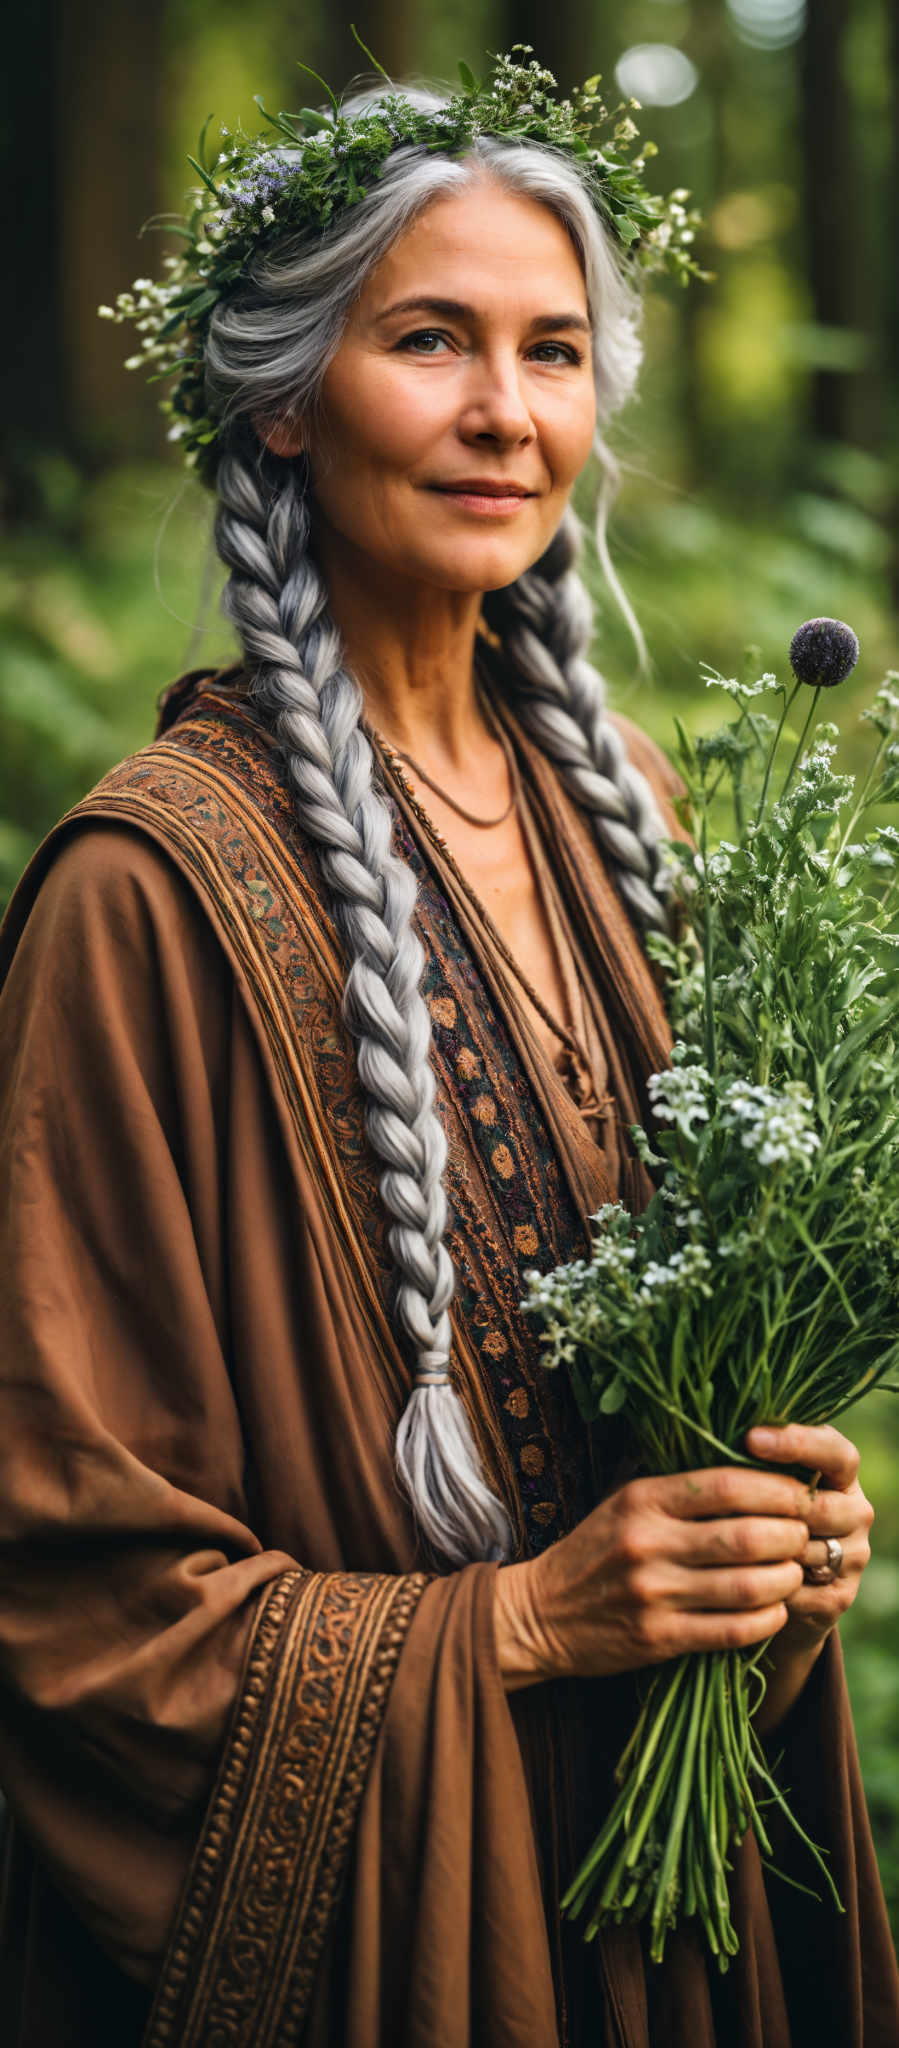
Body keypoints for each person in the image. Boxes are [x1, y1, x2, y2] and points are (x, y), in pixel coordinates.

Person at [0, 49, 896, 2048]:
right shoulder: (143, 898)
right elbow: (58, 1575)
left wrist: (777, 1519)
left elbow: (694, 1352)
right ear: (289, 399)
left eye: (555, 351)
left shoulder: (640, 819)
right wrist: (509, 1622)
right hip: (419, 1942)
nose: (508, 412)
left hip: (677, 1900)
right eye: (432, 340)